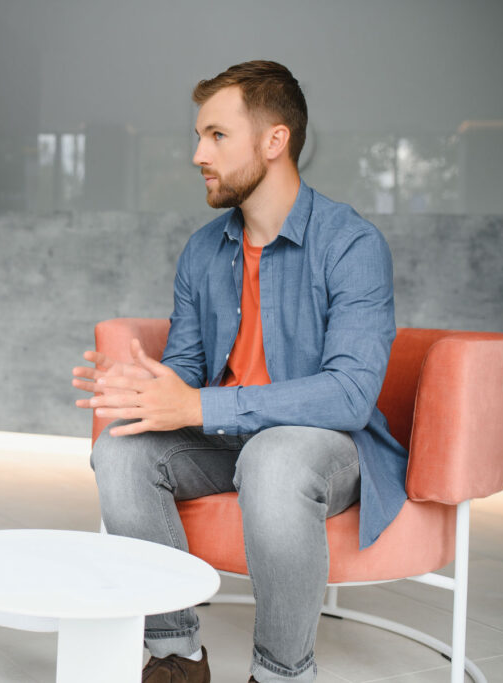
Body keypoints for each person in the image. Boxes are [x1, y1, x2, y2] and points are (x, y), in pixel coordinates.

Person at [73, 61, 408, 683]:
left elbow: (351, 394)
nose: (198, 153)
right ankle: (175, 653)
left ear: (274, 140)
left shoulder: (351, 244)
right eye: (199, 136)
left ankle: (282, 673)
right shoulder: (204, 249)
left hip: (328, 447)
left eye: (217, 135)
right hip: (229, 442)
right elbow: (185, 371)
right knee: (121, 449)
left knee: (274, 458)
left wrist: (203, 407)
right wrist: (146, 388)